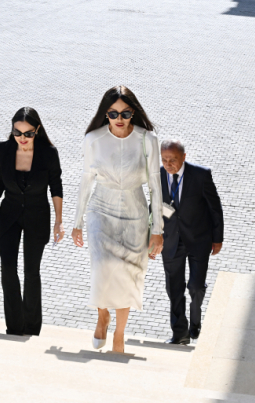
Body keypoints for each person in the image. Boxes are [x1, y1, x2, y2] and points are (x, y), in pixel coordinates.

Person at [71, 86, 164, 353]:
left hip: (135, 214)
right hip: (101, 210)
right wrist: (77, 222)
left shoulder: (148, 140)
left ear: (133, 112)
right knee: (102, 267)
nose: (119, 118)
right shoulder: (93, 139)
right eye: (112, 113)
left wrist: (157, 228)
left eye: (125, 113)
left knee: (128, 275)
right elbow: (86, 180)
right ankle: (102, 315)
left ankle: (119, 335)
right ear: (105, 114)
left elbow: (156, 186)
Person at [0, 107, 64, 336]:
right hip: (9, 216)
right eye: (17, 132)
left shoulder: (49, 153)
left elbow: (56, 187)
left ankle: (32, 327)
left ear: (37, 130)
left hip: (37, 216)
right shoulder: (4, 150)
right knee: (7, 269)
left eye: (28, 133)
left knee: (31, 271)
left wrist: (59, 221)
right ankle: (15, 326)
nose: (22, 138)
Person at [160, 140, 224, 345]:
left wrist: (217, 238)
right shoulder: (158, 175)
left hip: (199, 240)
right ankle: (180, 333)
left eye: (173, 160)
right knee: (174, 288)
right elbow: (154, 206)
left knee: (195, 286)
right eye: (164, 160)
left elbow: (215, 208)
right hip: (171, 241)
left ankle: (195, 321)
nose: (168, 164)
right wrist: (152, 236)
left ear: (184, 157)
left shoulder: (201, 175)